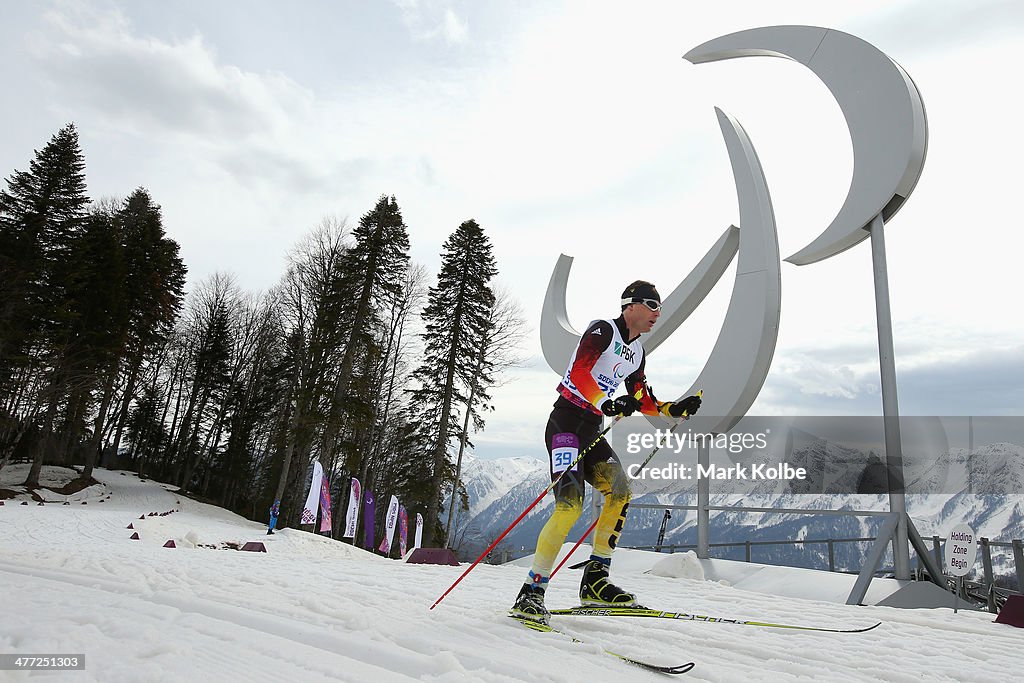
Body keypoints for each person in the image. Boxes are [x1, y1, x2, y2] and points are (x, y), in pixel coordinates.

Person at [510, 280, 702, 623]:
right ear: (631, 305)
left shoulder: (638, 351)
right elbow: (581, 372)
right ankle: (532, 591)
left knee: (620, 493)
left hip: (593, 432)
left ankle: (595, 581)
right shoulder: (602, 330)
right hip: (567, 425)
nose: (658, 313)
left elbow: (642, 398)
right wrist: (608, 401)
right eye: (653, 306)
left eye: (660, 307)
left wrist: (674, 409)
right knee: (569, 506)